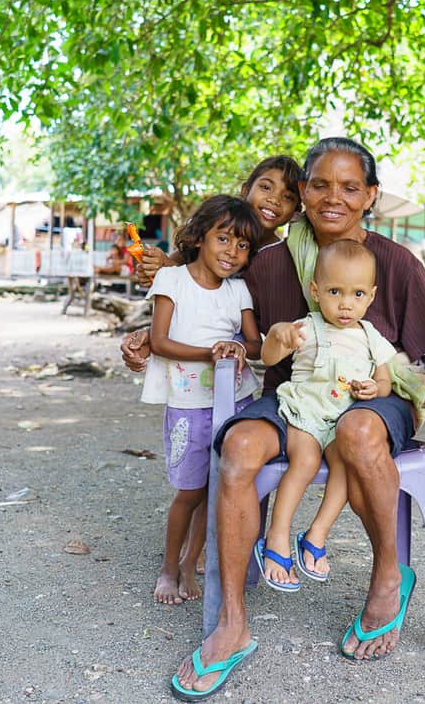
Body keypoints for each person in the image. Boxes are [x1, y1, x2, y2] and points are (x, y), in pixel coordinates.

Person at [122, 137, 425, 699]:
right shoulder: (270, 264)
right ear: (302, 192)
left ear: (370, 196)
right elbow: (209, 307)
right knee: (236, 450)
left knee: (356, 430)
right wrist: (146, 336)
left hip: (371, 399)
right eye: (321, 185)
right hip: (294, 399)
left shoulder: (394, 261)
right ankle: (231, 624)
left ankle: (388, 576)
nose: (334, 197)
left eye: (350, 187)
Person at [141, 194, 265, 606]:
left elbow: (254, 343)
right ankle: (168, 567)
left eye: (243, 245)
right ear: (199, 236)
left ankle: (192, 561)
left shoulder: (238, 290)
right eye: (224, 239)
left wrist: (236, 348)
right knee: (189, 491)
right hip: (189, 404)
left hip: (237, 401)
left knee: (216, 487)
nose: (233, 252)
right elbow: (159, 342)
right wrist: (211, 351)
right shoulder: (171, 281)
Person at [254, 239, 397, 591]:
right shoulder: (306, 326)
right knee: (303, 461)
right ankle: (277, 536)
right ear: (316, 291)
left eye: (358, 294)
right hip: (306, 411)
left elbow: (385, 381)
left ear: (372, 295)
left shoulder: (370, 336)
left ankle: (316, 534)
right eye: (335, 291)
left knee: (344, 468)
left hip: (342, 418)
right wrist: (277, 335)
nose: (346, 304)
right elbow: (269, 358)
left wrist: (374, 390)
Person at [135, 155, 303, 286]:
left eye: (288, 196)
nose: (274, 200)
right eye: (266, 187)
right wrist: (158, 266)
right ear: (245, 190)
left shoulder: (284, 255)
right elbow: (173, 264)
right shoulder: (217, 224)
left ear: (296, 210)